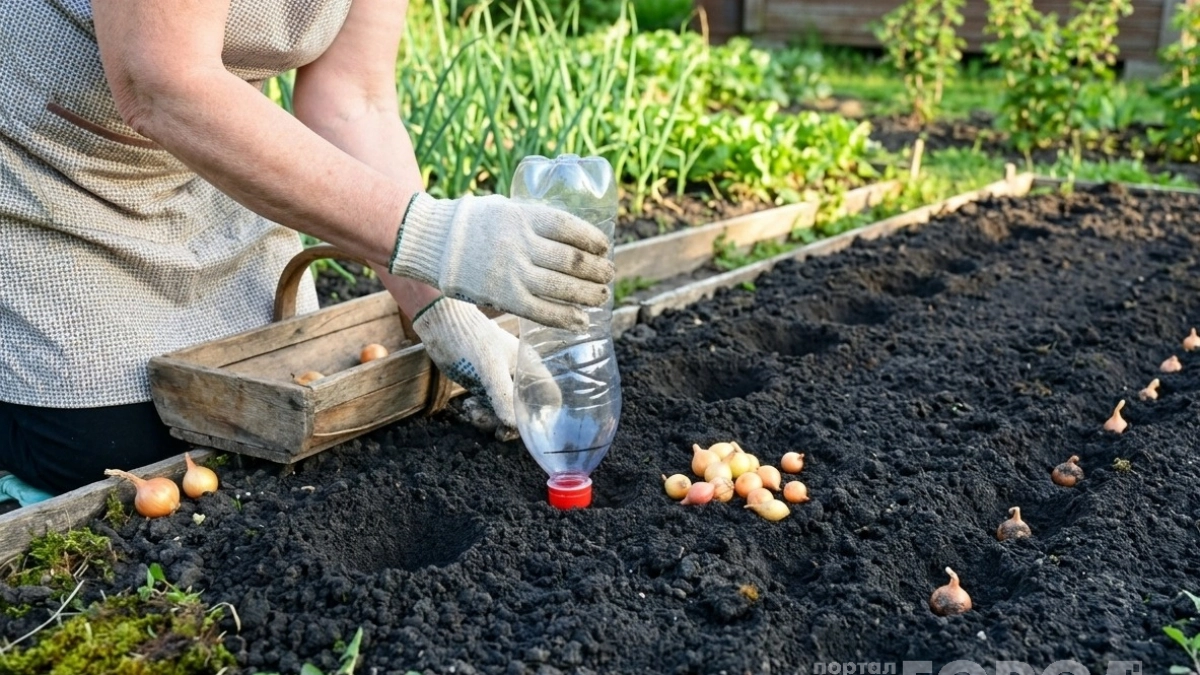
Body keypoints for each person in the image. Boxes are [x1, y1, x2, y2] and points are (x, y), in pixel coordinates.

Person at [0, 0, 615, 502]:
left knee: (274, 400)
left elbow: (353, 101)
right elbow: (158, 79)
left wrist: (441, 308)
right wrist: (443, 236)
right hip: (41, 168)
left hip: (213, 163)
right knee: (120, 448)